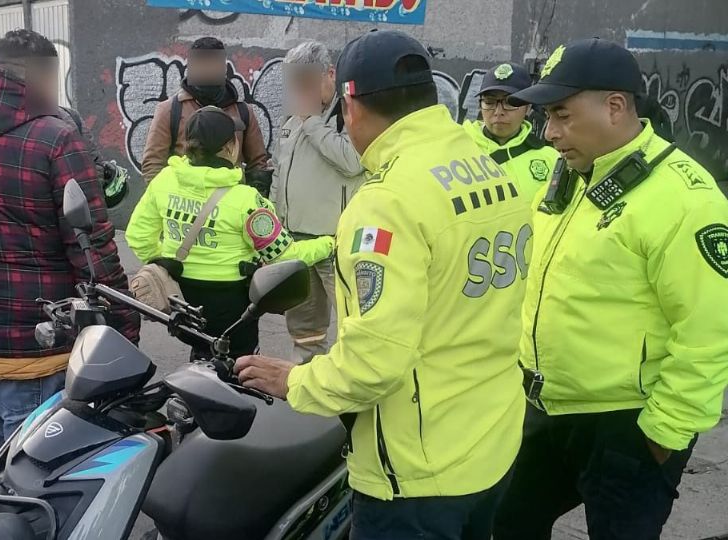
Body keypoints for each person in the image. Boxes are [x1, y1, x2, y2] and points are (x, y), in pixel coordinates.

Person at [236, 30, 531, 540]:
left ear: (349, 103)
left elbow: (374, 364)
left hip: (417, 472)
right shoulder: (486, 167)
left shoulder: (386, 201)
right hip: (494, 441)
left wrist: (296, 382)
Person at [492, 38, 728, 540]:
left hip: (626, 426)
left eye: (561, 115)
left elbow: (710, 330)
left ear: (616, 107)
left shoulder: (686, 198)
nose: (549, 133)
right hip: (545, 407)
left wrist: (663, 436)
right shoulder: (574, 170)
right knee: (507, 522)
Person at [0, 30, 141, 478]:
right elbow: (91, 248)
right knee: (31, 467)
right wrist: (124, 326)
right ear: (45, 75)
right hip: (30, 344)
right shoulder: (54, 138)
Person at [126, 106, 333, 360]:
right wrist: (328, 244)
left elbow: (137, 236)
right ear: (230, 148)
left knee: (201, 356)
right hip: (232, 311)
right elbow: (283, 257)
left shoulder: (165, 181)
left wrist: (169, 263)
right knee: (238, 370)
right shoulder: (246, 201)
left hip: (181, 301)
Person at [270, 41, 364, 363]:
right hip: (294, 241)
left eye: (307, 81)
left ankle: (352, 380)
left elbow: (353, 162)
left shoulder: (351, 114)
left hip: (335, 242)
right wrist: (274, 222)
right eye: (296, 82)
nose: (301, 90)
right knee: (304, 321)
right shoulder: (291, 120)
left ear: (330, 75)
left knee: (354, 319)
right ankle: (307, 372)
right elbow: (279, 174)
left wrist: (312, 123)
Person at [141, 37, 270, 188]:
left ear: (224, 68)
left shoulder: (243, 112)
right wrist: (167, 201)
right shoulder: (170, 110)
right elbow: (153, 164)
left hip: (231, 206)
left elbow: (258, 166)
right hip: (185, 206)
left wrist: (254, 204)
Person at [463, 62, 559, 198]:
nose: (498, 111)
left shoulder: (551, 159)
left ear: (528, 107)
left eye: (509, 103)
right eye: (489, 102)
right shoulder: (458, 149)